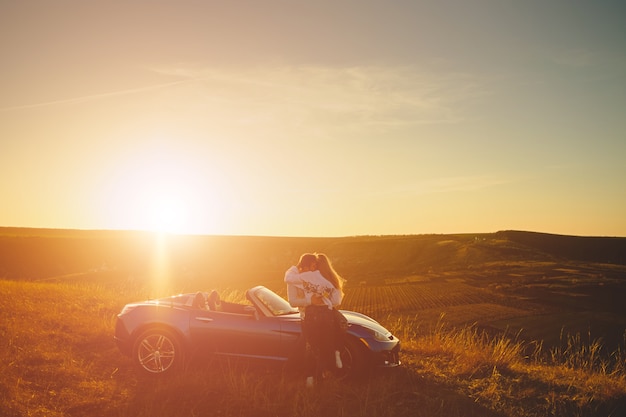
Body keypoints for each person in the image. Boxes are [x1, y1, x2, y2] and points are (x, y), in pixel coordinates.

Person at [284, 253, 345, 387]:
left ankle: (318, 375)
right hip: (307, 317)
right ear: (303, 266)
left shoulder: (314, 278)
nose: (313, 270)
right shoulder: (295, 279)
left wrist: (323, 299)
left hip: (321, 315)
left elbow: (334, 299)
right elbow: (292, 302)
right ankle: (309, 376)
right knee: (311, 349)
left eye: (315, 267)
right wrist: (310, 301)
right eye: (312, 266)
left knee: (320, 347)